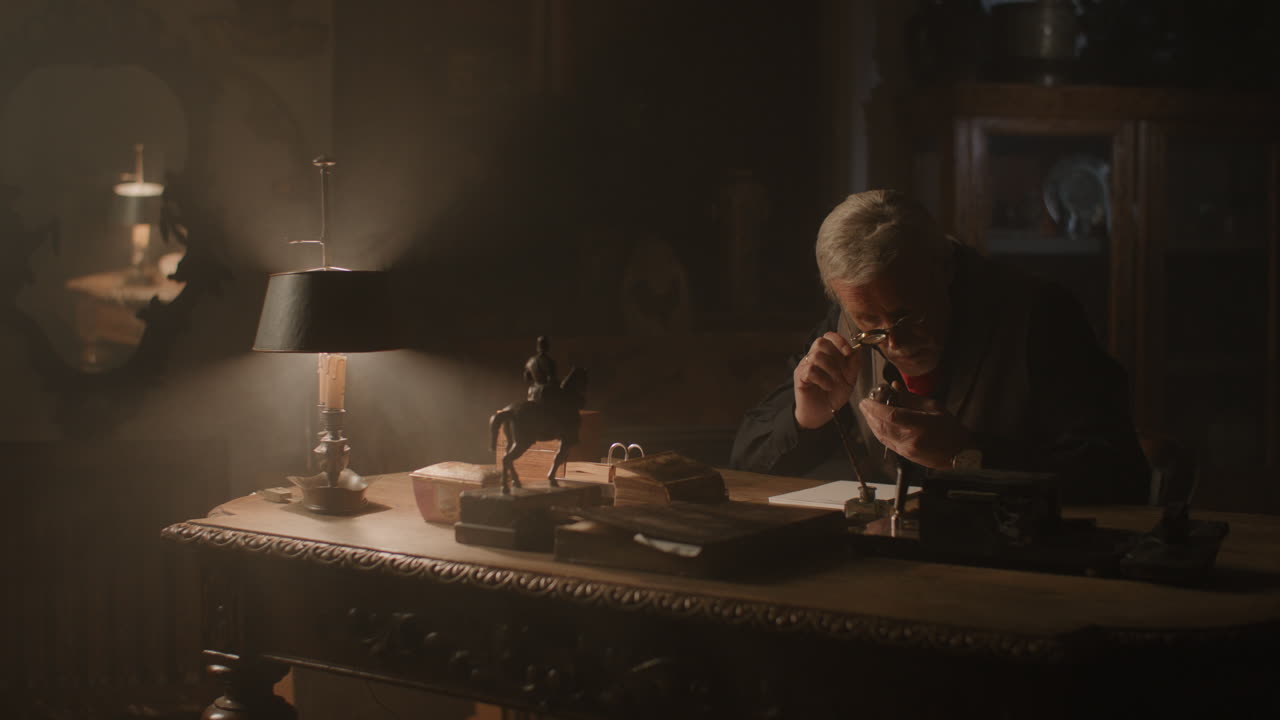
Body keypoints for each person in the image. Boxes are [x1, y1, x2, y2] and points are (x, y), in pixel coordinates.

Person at [729, 189, 1149, 504]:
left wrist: (967, 455)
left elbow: (1119, 478)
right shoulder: (846, 321)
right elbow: (746, 463)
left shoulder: (1037, 316)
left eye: (908, 316)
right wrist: (807, 417)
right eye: (869, 324)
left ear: (945, 267)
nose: (893, 342)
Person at [523, 335, 559, 401]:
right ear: (547, 346)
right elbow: (551, 379)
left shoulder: (530, 361)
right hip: (545, 393)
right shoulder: (549, 361)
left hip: (532, 392)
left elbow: (527, 378)